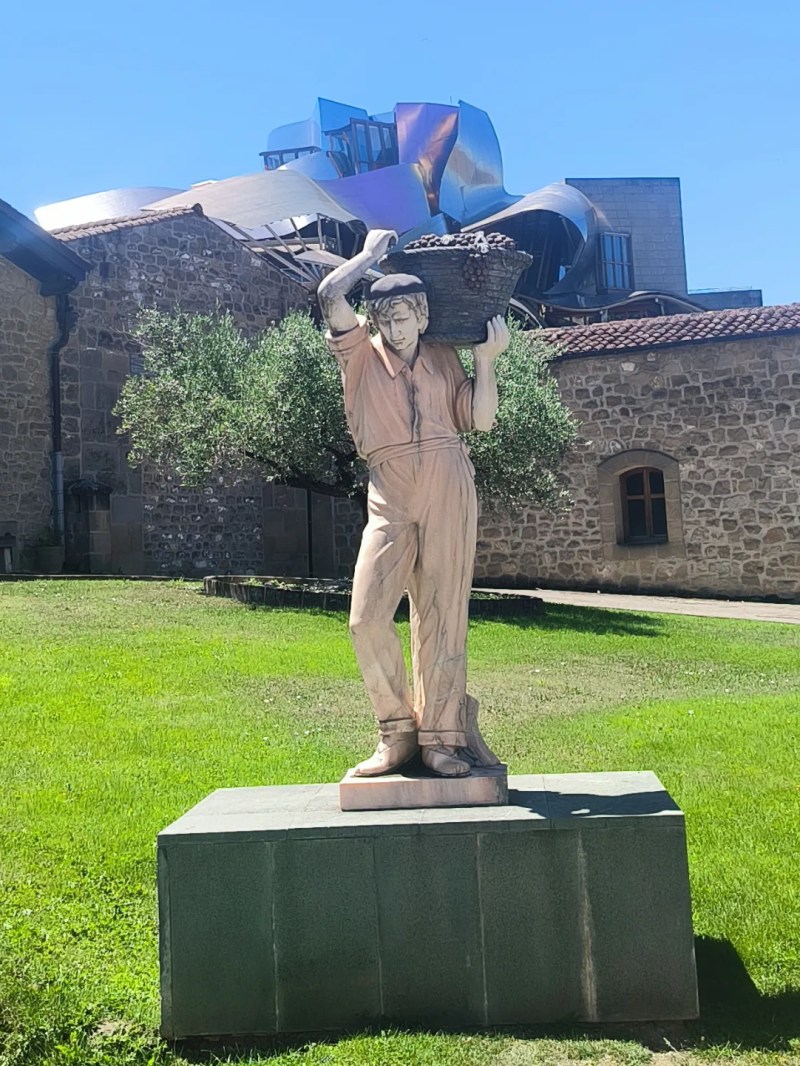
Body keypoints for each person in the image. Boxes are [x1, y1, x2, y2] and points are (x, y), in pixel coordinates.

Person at [317, 228, 509, 778]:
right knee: (365, 618)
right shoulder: (359, 356)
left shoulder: (447, 357)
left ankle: (441, 738)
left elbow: (482, 421)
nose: (395, 328)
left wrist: (487, 362)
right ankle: (396, 732)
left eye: (404, 317)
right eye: (386, 319)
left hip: (449, 479)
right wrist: (369, 257)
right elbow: (331, 296)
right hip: (391, 488)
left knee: (443, 616)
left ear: (423, 316)